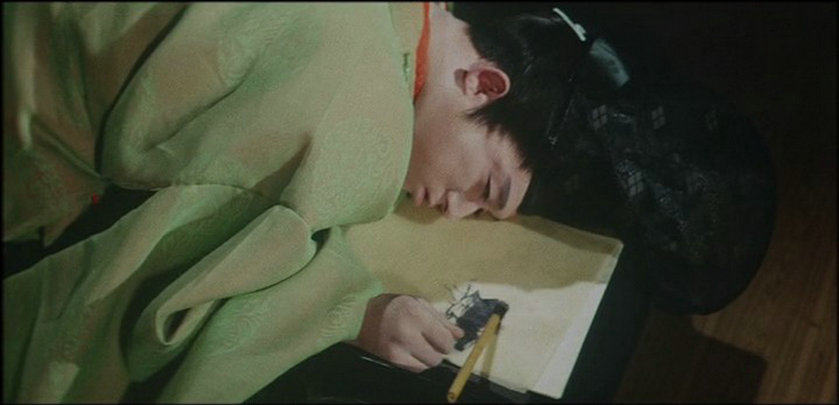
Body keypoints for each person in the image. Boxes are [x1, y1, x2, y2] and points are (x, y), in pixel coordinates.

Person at [1, 2, 571, 402]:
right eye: (485, 188)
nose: (455, 210)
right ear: (483, 84)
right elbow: (168, 281)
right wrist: (353, 311)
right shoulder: (352, 121)